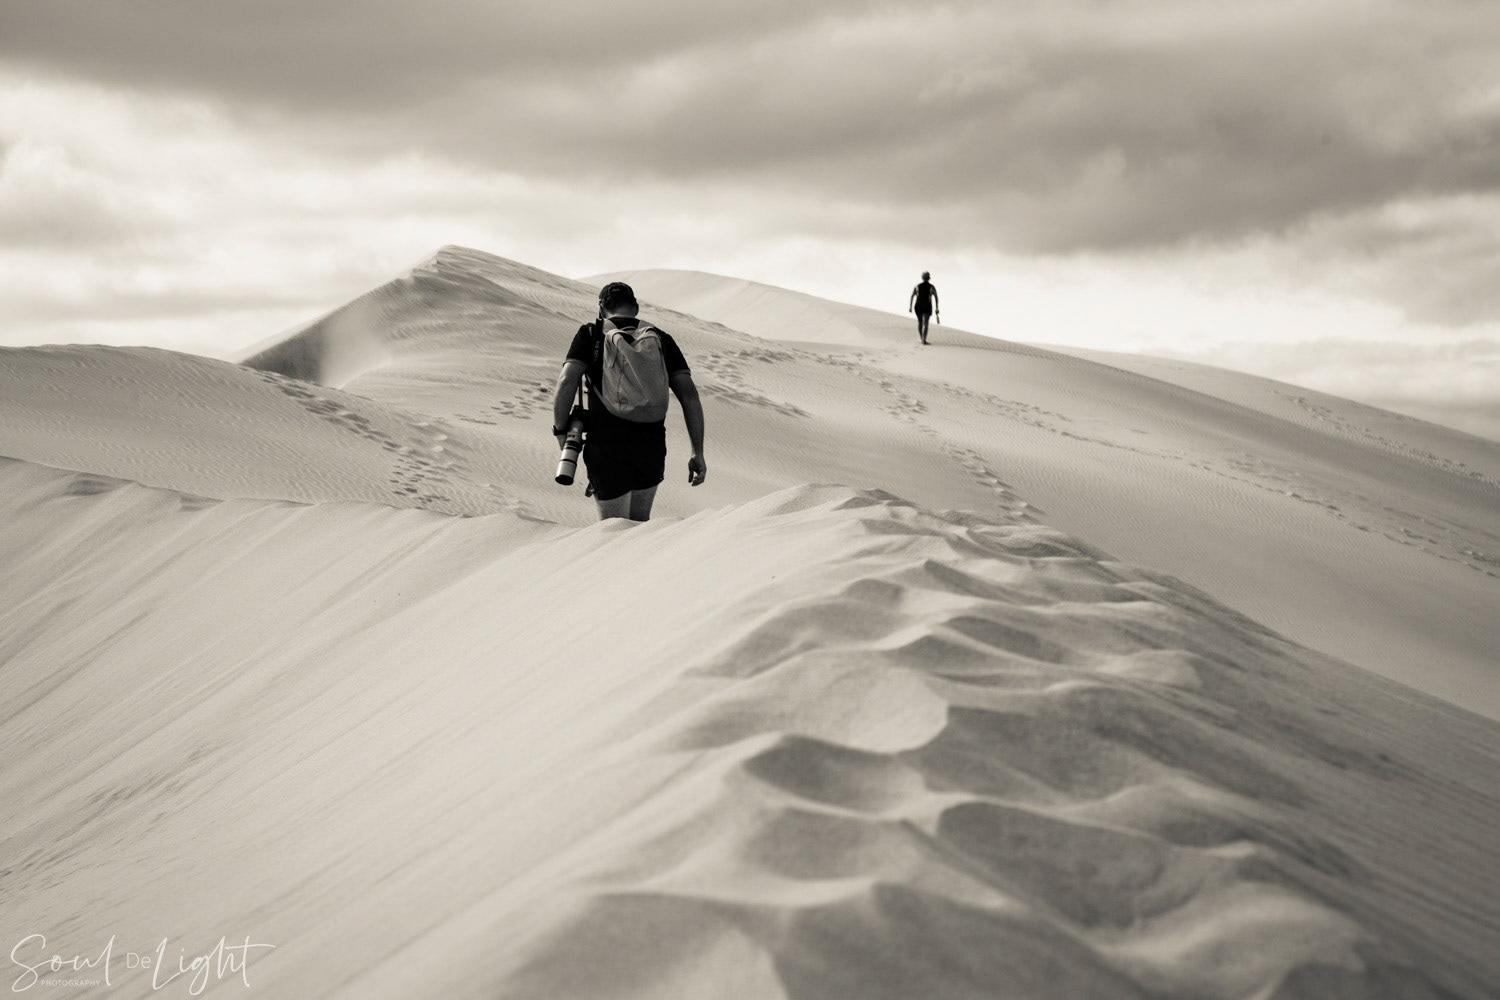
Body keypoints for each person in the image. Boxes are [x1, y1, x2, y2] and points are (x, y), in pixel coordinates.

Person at [552, 281, 706, 521]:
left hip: (607, 445)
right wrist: (697, 452)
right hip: (651, 445)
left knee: (614, 531)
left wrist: (561, 430)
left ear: (601, 308)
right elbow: (689, 396)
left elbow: (566, 381)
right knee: (639, 527)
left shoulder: (591, 334)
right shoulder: (661, 338)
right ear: (635, 307)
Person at [909, 271, 939, 345]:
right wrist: (937, 308)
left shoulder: (917, 286)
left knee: (920, 322)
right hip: (927, 306)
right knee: (925, 323)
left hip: (918, 305)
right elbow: (936, 297)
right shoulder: (931, 287)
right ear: (929, 278)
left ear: (922, 278)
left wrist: (910, 306)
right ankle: (923, 340)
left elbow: (912, 296)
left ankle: (921, 338)